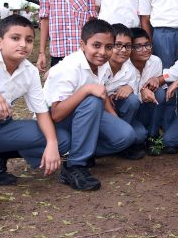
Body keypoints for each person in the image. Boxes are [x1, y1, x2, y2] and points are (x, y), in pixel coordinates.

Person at [0, 15, 69, 217]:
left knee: (62, 140)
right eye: (15, 38)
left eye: (29, 40)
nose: (23, 44)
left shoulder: (29, 72)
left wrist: (52, 144)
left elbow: (42, 112)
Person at [43, 19, 136, 191]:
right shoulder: (69, 68)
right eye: (96, 45)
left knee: (125, 135)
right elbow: (56, 114)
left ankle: (84, 150)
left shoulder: (103, 65)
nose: (103, 52)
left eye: (108, 47)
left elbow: (103, 93)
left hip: (83, 115)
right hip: (54, 120)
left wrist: (115, 119)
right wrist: (86, 90)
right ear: (83, 45)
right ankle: (75, 165)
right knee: (92, 100)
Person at [105, 24, 148, 160]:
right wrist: (107, 96)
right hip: (100, 111)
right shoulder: (100, 64)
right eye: (118, 45)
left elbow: (134, 99)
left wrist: (130, 88)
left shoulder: (130, 70)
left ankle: (121, 140)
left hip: (119, 111)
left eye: (128, 46)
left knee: (140, 135)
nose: (123, 50)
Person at [129, 28, 166, 156]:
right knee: (138, 136)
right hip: (130, 113)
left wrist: (155, 83)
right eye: (138, 46)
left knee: (160, 93)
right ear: (130, 49)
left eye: (147, 44)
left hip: (145, 109)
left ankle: (153, 136)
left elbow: (158, 86)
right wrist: (142, 90)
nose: (145, 49)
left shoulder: (156, 61)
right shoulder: (124, 65)